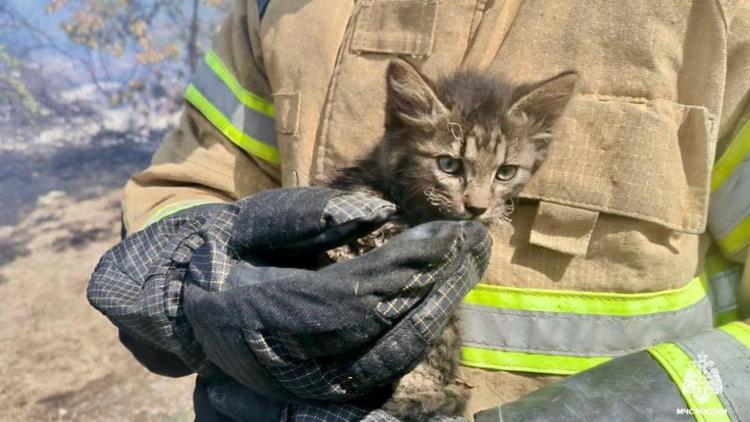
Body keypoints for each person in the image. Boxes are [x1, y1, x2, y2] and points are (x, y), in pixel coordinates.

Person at [89, 0, 750, 420]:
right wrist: (190, 284)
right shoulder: (279, 9)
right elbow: (187, 185)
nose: (480, 201)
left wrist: (613, 410)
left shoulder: (714, 14)